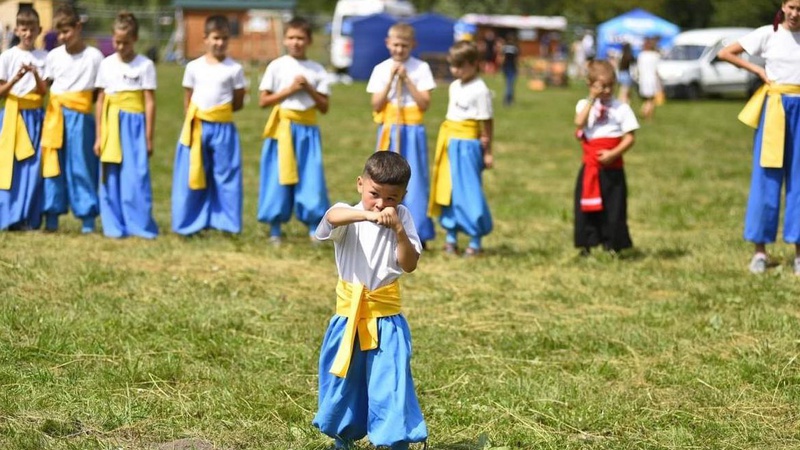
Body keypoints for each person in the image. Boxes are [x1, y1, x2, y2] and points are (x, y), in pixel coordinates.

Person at [312, 150, 427, 450]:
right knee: (344, 385)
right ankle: (342, 440)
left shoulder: (402, 218)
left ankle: (392, 442)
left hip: (386, 321)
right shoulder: (348, 215)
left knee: (389, 385)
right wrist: (367, 215)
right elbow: (330, 218)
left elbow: (409, 263)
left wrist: (399, 229)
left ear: (403, 195)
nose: (382, 204)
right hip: (348, 319)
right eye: (375, 194)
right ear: (360, 184)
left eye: (392, 198)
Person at [716, 0, 800, 274]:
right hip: (775, 108)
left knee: (799, 181)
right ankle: (760, 252)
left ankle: (798, 252)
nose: (795, 14)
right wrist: (758, 71)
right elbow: (726, 53)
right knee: (767, 177)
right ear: (783, 6)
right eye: (792, 7)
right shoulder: (769, 34)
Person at [258, 17, 330, 245]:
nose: (295, 42)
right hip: (283, 130)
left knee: (311, 178)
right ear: (285, 40)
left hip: (308, 132)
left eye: (300, 38)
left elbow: (324, 107)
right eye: (291, 37)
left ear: (308, 40)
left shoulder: (317, 70)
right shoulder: (277, 66)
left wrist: (307, 87)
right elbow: (264, 100)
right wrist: (289, 90)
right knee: (278, 177)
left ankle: (312, 226)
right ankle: (275, 228)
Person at [172, 15, 246, 236]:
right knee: (194, 173)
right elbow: (188, 100)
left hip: (223, 129)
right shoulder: (193, 67)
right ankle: (190, 224)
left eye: (224, 38)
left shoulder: (235, 69)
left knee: (226, 175)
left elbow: (239, 102)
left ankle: (227, 224)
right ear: (205, 38)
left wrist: (218, 114)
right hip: (197, 128)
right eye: (215, 38)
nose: (219, 43)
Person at [367, 22, 436, 246]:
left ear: (412, 45)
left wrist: (407, 79)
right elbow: (376, 104)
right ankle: (383, 223)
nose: (399, 50)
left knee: (415, 179)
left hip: (412, 129)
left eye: (404, 46)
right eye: (396, 45)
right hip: (390, 126)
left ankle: (417, 231)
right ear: (388, 44)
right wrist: (390, 80)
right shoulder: (380, 68)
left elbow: (424, 103)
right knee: (385, 176)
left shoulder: (421, 68)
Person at [94, 11, 158, 238]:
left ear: (135, 40)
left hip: (135, 126)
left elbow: (150, 102)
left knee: (135, 176)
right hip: (111, 125)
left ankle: (138, 224)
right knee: (110, 176)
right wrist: (99, 135)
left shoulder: (145, 65)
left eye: (126, 42)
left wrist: (149, 137)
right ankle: (114, 225)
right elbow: (100, 100)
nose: (121, 47)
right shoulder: (106, 64)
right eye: (117, 42)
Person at [41, 3, 104, 233]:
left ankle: (87, 216)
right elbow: (47, 85)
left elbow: (99, 93)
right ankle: (52, 214)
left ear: (78, 27)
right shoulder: (54, 56)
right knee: (53, 164)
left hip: (81, 117)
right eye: (58, 32)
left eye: (66, 31)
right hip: (55, 115)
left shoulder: (94, 56)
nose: (62, 37)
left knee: (81, 165)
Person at [428, 40, 494, 257]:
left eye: (460, 66)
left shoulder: (481, 90)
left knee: (469, 191)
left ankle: (475, 239)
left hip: (468, 146)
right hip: (450, 141)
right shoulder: (455, 85)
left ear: (475, 64)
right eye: (453, 66)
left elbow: (487, 122)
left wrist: (488, 151)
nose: (455, 71)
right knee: (448, 189)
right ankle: (451, 236)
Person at [573, 60, 639, 255]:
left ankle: (613, 244)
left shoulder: (621, 108)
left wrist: (613, 153)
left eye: (611, 85)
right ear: (590, 85)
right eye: (601, 86)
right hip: (590, 166)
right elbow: (579, 123)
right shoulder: (584, 105)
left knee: (614, 207)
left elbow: (630, 137)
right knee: (585, 206)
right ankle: (587, 243)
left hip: (612, 167)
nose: (607, 91)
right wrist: (592, 99)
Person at [0, 6, 47, 231]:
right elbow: (1, 92)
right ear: (17, 30)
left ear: (39, 30)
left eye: (32, 29)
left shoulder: (44, 57)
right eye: (24, 29)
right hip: (12, 116)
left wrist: (35, 74)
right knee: (10, 166)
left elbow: (43, 92)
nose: (28, 34)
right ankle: (8, 215)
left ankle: (28, 216)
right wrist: (16, 79)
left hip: (35, 117)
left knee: (33, 166)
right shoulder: (7, 57)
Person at [637, 37, 661, 120]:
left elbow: (638, 69)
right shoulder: (655, 55)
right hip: (652, 79)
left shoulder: (641, 55)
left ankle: (644, 110)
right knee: (651, 99)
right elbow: (657, 70)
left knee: (647, 98)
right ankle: (647, 114)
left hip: (643, 79)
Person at [499, 33, 519, 106]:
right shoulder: (515, 48)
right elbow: (516, 59)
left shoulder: (504, 47)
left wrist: (501, 67)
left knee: (508, 83)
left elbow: (502, 58)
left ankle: (509, 99)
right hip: (512, 67)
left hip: (505, 67)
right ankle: (508, 100)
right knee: (510, 84)